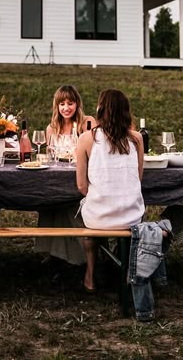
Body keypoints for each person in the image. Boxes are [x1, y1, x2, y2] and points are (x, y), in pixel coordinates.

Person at [76, 89, 145, 292]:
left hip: (98, 217)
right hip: (132, 215)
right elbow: (137, 179)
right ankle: (125, 272)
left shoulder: (86, 138)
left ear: (99, 109)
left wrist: (101, 197)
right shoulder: (136, 139)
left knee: (88, 217)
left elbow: (81, 186)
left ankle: (90, 275)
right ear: (126, 112)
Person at [37, 86, 96, 268]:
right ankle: (50, 252)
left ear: (77, 104)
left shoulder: (87, 123)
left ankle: (75, 257)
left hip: (82, 177)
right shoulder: (52, 128)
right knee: (49, 202)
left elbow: (96, 152)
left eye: (70, 103)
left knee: (69, 204)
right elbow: (49, 155)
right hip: (57, 177)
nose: (66, 108)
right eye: (62, 104)